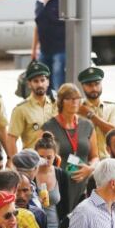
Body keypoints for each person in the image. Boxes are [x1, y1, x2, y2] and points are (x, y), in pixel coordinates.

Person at [42, 83, 96, 213]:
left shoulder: (87, 125)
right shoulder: (49, 127)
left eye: (77, 98)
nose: (75, 102)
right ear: (61, 102)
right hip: (60, 184)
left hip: (83, 184)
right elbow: (41, 158)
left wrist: (90, 168)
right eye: (70, 99)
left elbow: (95, 156)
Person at [7, 62, 55, 155]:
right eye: (36, 81)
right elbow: (12, 139)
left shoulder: (56, 105)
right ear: (29, 84)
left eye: (42, 80)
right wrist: (14, 161)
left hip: (54, 160)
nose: (40, 84)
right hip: (32, 161)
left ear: (48, 82)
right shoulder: (21, 109)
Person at [31, 0, 66, 89]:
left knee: (57, 78)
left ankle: (58, 104)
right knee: (43, 80)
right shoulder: (38, 1)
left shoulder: (62, 0)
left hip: (60, 49)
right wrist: (34, 49)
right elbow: (37, 26)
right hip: (44, 50)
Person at [77, 67, 115, 160]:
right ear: (82, 86)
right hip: (81, 162)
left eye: (97, 84)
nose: (94, 88)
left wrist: (91, 115)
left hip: (106, 161)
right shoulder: (76, 107)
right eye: (89, 85)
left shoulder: (111, 108)